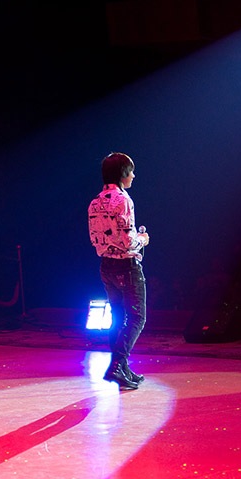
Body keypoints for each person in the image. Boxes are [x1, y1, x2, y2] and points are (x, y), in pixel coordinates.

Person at [88, 152, 149, 389]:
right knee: (136, 318)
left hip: (106, 266)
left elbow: (95, 238)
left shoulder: (95, 201)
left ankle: (122, 367)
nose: (133, 176)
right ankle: (116, 366)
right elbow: (127, 241)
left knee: (118, 317)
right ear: (123, 173)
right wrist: (142, 239)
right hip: (126, 266)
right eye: (131, 171)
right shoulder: (123, 200)